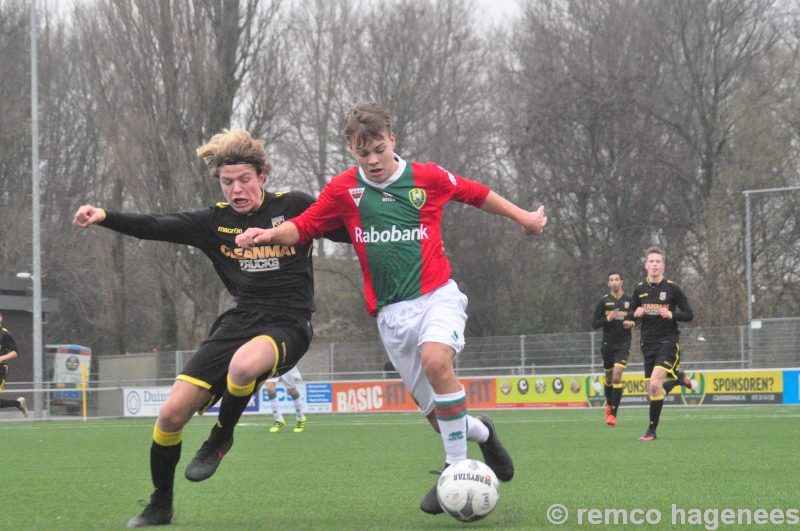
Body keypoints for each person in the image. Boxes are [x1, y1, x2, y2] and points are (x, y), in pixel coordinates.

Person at [235, 101, 547, 515]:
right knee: (441, 419)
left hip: (438, 295)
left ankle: (452, 473)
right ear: (351, 148)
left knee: (437, 363)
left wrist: (524, 217)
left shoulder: (426, 178)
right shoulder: (344, 189)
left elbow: (476, 193)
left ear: (391, 140)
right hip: (391, 316)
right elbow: (305, 226)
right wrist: (266, 234)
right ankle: (484, 434)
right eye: (363, 153)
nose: (373, 159)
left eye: (379, 148)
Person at [73, 128, 348, 528]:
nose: (237, 189)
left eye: (245, 180)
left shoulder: (295, 205)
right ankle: (160, 505)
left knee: (242, 367)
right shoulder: (213, 222)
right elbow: (155, 224)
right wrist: (105, 217)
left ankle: (221, 436)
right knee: (170, 415)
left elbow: (350, 230)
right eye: (227, 181)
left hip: (290, 322)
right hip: (239, 321)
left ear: (262, 176)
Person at [629, 247, 693, 441]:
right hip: (647, 343)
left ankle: (651, 431)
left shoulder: (672, 289)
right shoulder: (639, 289)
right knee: (653, 390)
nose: (655, 265)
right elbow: (631, 313)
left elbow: (689, 314)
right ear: (646, 265)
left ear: (663, 266)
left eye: (658, 261)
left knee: (656, 384)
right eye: (652, 261)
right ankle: (677, 380)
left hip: (668, 342)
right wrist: (635, 315)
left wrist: (672, 314)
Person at [591, 272, 636, 426]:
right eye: (611, 280)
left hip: (623, 344)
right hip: (607, 345)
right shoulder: (604, 301)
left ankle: (613, 414)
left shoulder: (630, 300)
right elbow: (594, 323)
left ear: (622, 282)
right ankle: (609, 404)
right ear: (608, 284)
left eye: (617, 279)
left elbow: (639, 317)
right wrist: (608, 319)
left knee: (617, 376)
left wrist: (632, 323)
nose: (615, 282)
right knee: (609, 378)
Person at [263, 366, 306, 433]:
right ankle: (279, 419)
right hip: (273, 363)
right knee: (270, 389)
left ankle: (300, 418)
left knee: (293, 392)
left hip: (286, 364)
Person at [0, 313, 27, 417]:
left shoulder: (4, 334)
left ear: (1, 318)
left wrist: (2, 358)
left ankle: (19, 404)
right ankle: (19, 403)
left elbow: (15, 352)